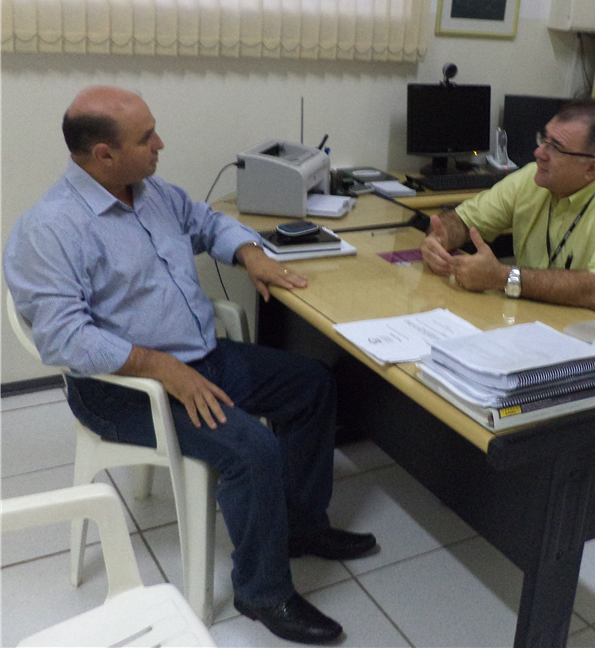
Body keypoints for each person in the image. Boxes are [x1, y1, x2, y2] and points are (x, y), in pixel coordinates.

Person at [3, 86, 378, 645]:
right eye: (145, 137)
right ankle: (262, 593)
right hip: (126, 391)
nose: (160, 144)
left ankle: (300, 524)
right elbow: (62, 339)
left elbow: (206, 222)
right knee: (252, 448)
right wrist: (161, 368)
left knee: (312, 384)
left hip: (200, 359)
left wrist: (250, 253)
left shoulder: (150, 193)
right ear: (103, 153)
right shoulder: (51, 228)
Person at [421, 98, 595, 316]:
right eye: (543, 139)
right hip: (534, 320)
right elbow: (463, 219)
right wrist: (440, 240)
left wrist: (503, 277)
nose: (538, 153)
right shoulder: (533, 178)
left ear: (592, 169)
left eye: (555, 147)